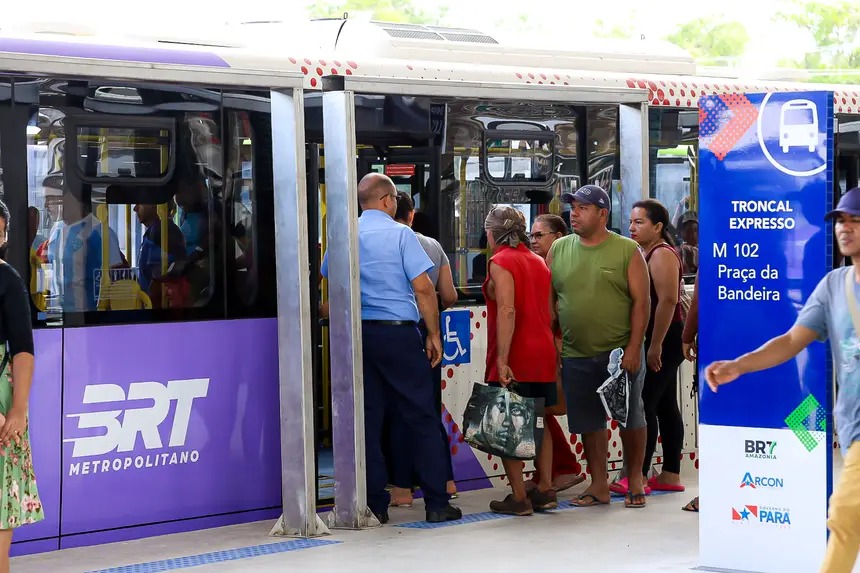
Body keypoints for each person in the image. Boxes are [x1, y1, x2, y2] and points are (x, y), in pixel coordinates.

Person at [705, 187, 860, 572]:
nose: (846, 228)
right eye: (841, 220)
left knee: (842, 518)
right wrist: (738, 366)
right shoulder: (835, 286)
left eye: (855, 220)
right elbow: (792, 340)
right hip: (852, 424)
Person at [320, 173, 461, 525]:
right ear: (387, 201)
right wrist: (433, 334)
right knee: (421, 416)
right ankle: (437, 503)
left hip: (357, 337)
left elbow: (330, 285)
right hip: (398, 336)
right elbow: (425, 289)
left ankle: (373, 506)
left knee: (367, 420)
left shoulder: (343, 233)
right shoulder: (401, 235)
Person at [548, 184, 651, 509]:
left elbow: (642, 302)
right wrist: (556, 341)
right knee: (589, 423)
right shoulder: (559, 249)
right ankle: (599, 484)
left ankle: (634, 478)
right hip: (575, 353)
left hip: (619, 354)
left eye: (582, 208)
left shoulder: (626, 250)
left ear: (602, 213)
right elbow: (551, 299)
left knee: (630, 418)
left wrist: (635, 347)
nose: (574, 213)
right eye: (572, 207)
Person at [482, 206, 558, 516]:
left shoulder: (501, 261)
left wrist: (502, 359)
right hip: (542, 352)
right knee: (540, 419)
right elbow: (551, 312)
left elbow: (507, 310)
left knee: (506, 424)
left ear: (492, 233)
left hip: (516, 353)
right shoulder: (538, 261)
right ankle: (544, 488)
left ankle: (518, 497)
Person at [389, 192, 458, 507]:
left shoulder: (382, 242)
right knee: (429, 410)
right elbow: (449, 295)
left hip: (397, 331)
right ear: (411, 214)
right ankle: (446, 480)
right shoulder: (433, 246)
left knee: (399, 413)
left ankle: (402, 489)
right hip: (429, 331)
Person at [628, 200, 686, 493]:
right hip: (662, 337)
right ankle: (670, 474)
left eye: (639, 222)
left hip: (665, 337)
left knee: (645, 404)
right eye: (631, 221)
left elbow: (668, 301)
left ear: (658, 226)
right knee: (664, 405)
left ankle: (638, 474)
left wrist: (655, 345)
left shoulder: (662, 255)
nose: (632, 227)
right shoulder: (647, 253)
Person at [525, 213, 585, 494]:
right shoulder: (539, 265)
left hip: (565, 348)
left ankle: (563, 468)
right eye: (532, 236)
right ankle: (549, 471)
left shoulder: (564, 267)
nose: (534, 241)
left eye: (540, 235)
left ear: (558, 238)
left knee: (540, 409)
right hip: (554, 347)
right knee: (537, 409)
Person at [0, 200, 45, 571]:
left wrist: (17, 409)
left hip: (4, 400)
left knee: (1, 500)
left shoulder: (9, 281)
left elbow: (23, 350)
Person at [681, 273, 699, 513]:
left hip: (721, 346)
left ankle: (718, 492)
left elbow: (699, 300)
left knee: (721, 428)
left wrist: (687, 335)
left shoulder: (717, 249)